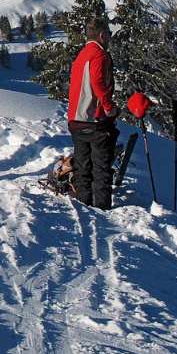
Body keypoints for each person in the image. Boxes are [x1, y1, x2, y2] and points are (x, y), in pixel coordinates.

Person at [67, 17, 120, 210]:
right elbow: (98, 83)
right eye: (109, 34)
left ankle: (84, 205)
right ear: (102, 35)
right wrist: (108, 107)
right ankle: (102, 208)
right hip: (94, 120)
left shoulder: (81, 55)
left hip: (75, 120)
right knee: (101, 168)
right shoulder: (100, 55)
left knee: (83, 166)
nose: (110, 38)